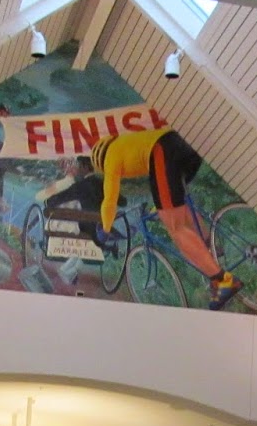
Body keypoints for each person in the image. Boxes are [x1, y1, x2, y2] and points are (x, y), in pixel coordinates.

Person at [89, 129, 244, 310]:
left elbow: (109, 200)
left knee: (176, 228)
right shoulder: (127, 143)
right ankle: (211, 247)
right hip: (183, 144)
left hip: (163, 151)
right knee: (179, 207)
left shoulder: (110, 159)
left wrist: (105, 230)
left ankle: (223, 281)